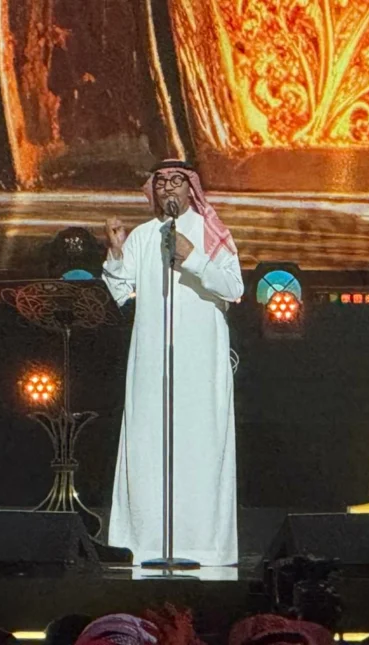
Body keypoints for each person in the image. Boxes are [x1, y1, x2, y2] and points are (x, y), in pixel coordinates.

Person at [102, 159, 243, 566]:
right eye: (161, 181)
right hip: (152, 364)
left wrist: (192, 257)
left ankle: (201, 547)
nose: (167, 188)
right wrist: (116, 252)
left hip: (200, 364)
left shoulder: (210, 232)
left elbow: (234, 287)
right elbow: (120, 292)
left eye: (176, 180)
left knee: (199, 448)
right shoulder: (144, 236)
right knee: (148, 448)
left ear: (190, 189)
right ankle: (146, 545)